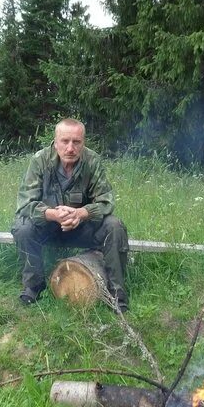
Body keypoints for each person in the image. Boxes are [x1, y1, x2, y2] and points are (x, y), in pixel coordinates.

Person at [12, 118, 129, 311]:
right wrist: (52, 214)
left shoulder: (92, 161)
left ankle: (116, 295)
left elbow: (106, 202)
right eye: (65, 141)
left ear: (83, 142)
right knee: (22, 227)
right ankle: (34, 286)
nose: (70, 148)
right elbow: (25, 205)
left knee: (114, 225)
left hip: (81, 227)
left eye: (76, 142)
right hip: (49, 227)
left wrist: (81, 213)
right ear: (55, 142)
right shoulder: (39, 160)